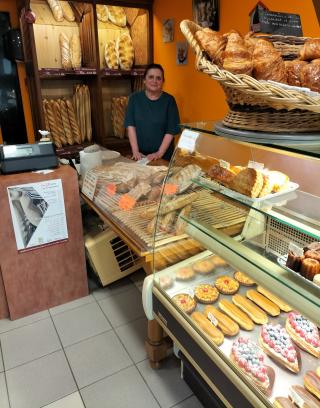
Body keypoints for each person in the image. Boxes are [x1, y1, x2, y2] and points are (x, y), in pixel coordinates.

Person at [124, 63, 180, 161]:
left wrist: (159, 153)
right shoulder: (134, 99)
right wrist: (135, 151)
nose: (154, 81)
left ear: (163, 81)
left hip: (163, 157)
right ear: (144, 80)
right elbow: (130, 126)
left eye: (158, 78)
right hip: (140, 156)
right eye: (151, 77)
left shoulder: (169, 101)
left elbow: (170, 131)